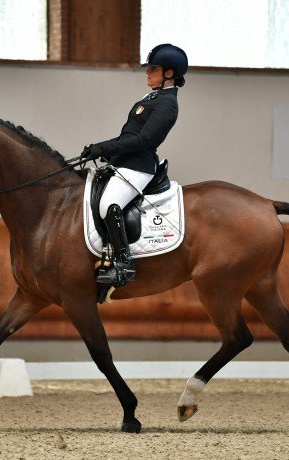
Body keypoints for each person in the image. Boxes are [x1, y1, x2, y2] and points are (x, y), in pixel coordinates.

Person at [81, 43, 188, 287]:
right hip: (125, 163)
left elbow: (144, 140)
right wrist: (100, 148)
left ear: (169, 74)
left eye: (153, 69)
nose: (148, 72)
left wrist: (105, 147)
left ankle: (123, 264)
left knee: (109, 204)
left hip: (139, 166)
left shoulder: (168, 103)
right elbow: (128, 135)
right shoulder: (153, 97)